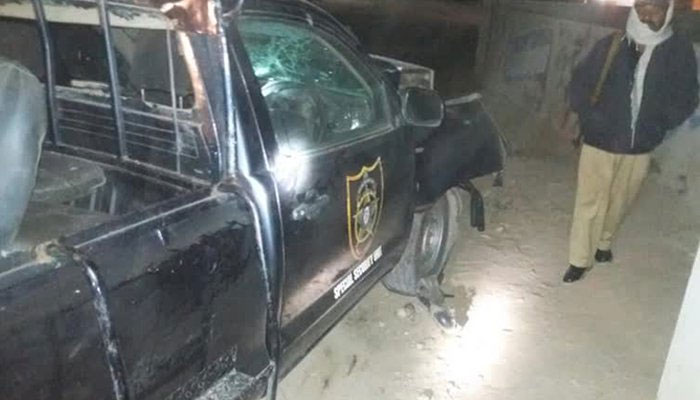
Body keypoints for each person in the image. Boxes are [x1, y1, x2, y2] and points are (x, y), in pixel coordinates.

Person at [563, 0, 699, 283]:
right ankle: (579, 259)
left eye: (655, 9)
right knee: (589, 201)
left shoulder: (678, 50)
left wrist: (659, 125)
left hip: (639, 145)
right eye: (641, 8)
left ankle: (603, 243)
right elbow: (579, 83)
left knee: (620, 201)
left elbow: (687, 95)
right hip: (599, 140)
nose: (647, 15)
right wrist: (591, 117)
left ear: (668, 11)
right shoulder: (612, 44)